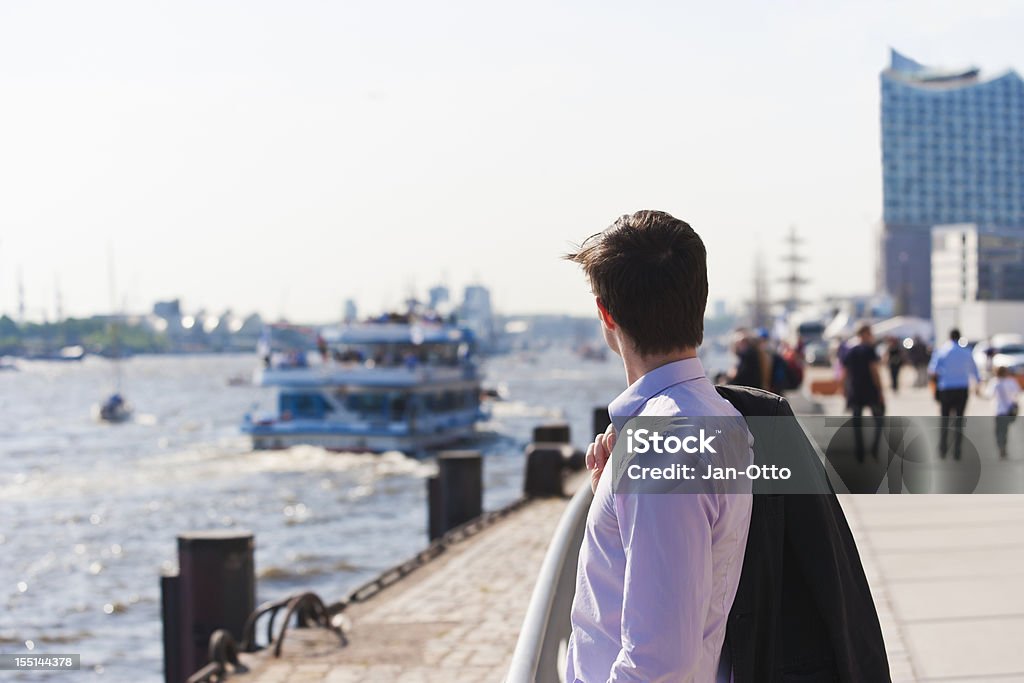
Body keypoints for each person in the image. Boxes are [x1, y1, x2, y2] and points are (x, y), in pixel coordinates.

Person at [565, 211, 890, 682]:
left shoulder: (661, 447)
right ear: (699, 302)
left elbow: (660, 665)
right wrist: (615, 501)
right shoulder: (722, 419)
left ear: (606, 314)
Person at [928, 328, 981, 459]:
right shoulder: (966, 352)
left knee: (945, 419)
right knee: (959, 420)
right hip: (962, 389)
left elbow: (932, 370)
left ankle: (943, 448)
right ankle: (957, 450)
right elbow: (974, 370)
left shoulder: (942, 351)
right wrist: (978, 386)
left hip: (946, 388)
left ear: (949, 337)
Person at [842, 324, 886, 461]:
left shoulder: (850, 351)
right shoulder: (869, 350)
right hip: (870, 391)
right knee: (879, 420)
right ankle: (874, 449)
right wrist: (880, 390)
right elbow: (874, 371)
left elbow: (845, 373)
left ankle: (859, 452)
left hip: (855, 391)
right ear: (865, 333)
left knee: (857, 422)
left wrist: (844, 390)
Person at [988, 366, 1021, 459]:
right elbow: (1017, 393)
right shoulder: (1011, 381)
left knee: (998, 431)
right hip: (1008, 411)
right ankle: (1003, 448)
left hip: (998, 411)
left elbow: (989, 395)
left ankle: (1001, 448)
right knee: (1004, 431)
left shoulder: (994, 382)